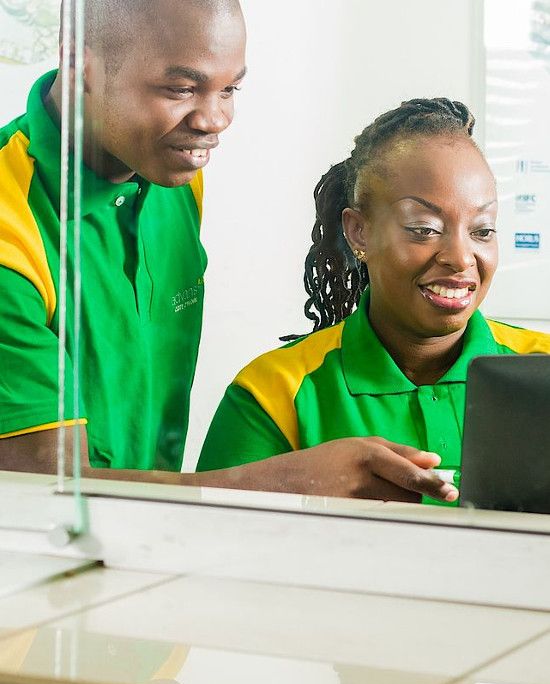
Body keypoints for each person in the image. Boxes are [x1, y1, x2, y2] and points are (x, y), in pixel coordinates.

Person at [0, 1, 461, 503]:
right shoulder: (11, 229)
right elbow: (38, 495)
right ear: (80, 66)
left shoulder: (172, 178)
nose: (215, 119)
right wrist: (288, 483)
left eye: (230, 88)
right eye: (181, 89)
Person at [196, 97, 550, 505]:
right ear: (359, 232)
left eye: (483, 230)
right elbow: (205, 544)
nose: (460, 257)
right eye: (424, 228)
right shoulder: (273, 392)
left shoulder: (540, 371)